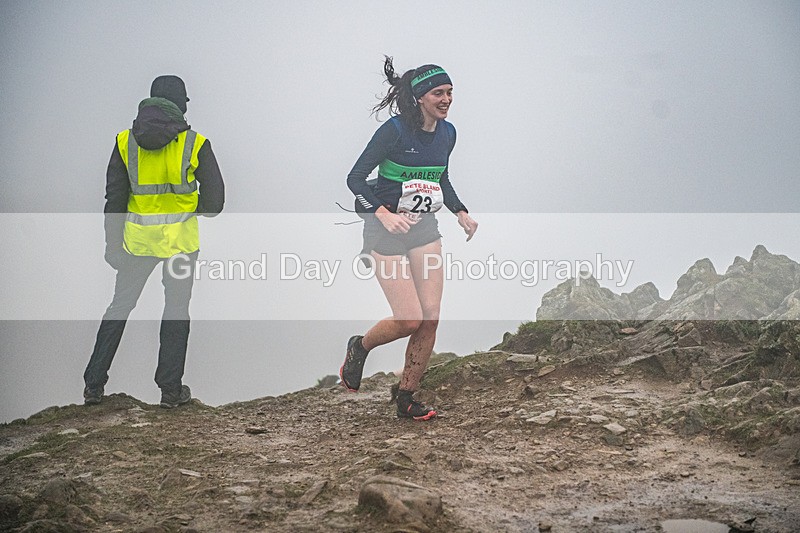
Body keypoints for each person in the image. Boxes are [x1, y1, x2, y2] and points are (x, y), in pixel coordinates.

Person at [340, 57, 478, 420]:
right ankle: (361, 346)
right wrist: (382, 214)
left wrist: (460, 211)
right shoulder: (395, 132)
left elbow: (440, 179)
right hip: (383, 231)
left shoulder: (448, 133)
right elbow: (354, 179)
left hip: (424, 229)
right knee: (409, 319)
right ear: (420, 97)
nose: (446, 99)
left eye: (450, 92)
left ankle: (407, 398)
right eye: (438, 93)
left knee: (430, 318)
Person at [83, 75, 225, 408]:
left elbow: (114, 199)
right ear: (180, 104)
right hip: (181, 244)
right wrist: (190, 207)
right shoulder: (196, 143)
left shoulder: (124, 142)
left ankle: (93, 385)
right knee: (176, 312)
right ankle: (170, 392)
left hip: (136, 244)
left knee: (119, 309)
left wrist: (112, 246)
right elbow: (216, 203)